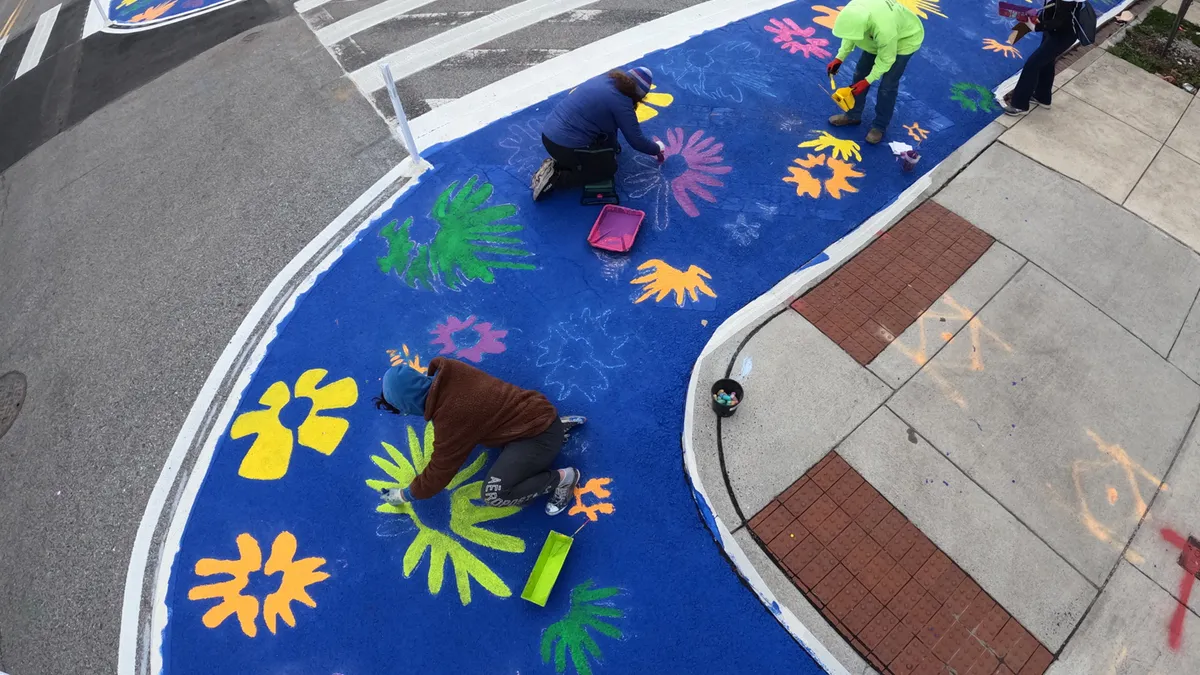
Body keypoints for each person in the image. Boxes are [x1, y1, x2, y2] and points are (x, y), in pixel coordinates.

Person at [374, 357, 586, 515]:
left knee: (495, 495)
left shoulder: (451, 420)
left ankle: (564, 479)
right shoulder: (452, 369)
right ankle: (557, 427)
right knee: (492, 423)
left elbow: (439, 474)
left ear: (409, 405)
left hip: (537, 437)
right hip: (539, 410)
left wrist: (405, 494)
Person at [531, 67, 665, 201]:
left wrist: (612, 147)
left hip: (548, 135)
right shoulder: (622, 104)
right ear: (638, 95)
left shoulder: (605, 79)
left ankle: (564, 162)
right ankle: (555, 179)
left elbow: (607, 123)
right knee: (607, 169)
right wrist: (657, 148)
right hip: (565, 146)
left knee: (604, 147)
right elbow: (637, 141)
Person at [826, 0, 925, 144]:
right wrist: (839, 58)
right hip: (875, 36)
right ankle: (853, 115)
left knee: (887, 85)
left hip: (905, 40)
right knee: (859, 73)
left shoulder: (884, 30)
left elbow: (887, 59)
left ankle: (879, 126)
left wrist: (868, 81)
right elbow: (850, 34)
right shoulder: (853, 12)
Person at [1000, 0, 1089, 115]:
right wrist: (1038, 19)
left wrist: (1036, 26)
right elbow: (1051, 8)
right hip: (1053, 32)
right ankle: (1042, 97)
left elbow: (1059, 21)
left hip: (1063, 36)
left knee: (1033, 64)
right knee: (1047, 62)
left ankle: (1019, 105)